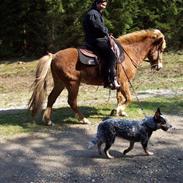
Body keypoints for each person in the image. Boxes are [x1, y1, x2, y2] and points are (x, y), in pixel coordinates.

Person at [83, 0, 120, 89]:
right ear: (97, 3)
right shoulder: (93, 13)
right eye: (102, 3)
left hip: (96, 39)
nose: (104, 5)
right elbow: (97, 27)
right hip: (96, 40)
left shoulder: (96, 13)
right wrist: (106, 31)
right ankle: (109, 80)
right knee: (111, 56)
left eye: (105, 3)